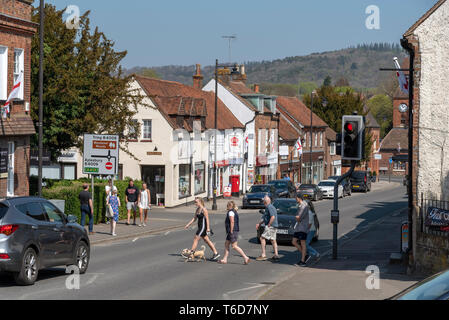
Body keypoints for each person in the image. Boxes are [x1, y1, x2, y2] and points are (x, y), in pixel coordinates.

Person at [256, 195, 279, 261]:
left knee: (262, 238)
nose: (263, 202)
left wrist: (269, 224)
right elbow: (266, 218)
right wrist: (259, 224)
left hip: (271, 226)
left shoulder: (269, 207)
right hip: (274, 226)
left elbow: (273, 217)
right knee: (273, 240)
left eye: (263, 201)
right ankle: (276, 255)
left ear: (265, 202)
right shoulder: (270, 207)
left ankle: (263, 255)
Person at [292, 193, 310, 267]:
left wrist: (296, 217)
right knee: (294, 241)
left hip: (303, 227)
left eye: (296, 198)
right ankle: (305, 254)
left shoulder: (303, 206)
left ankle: (303, 261)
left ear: (299, 198)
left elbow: (299, 218)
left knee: (303, 243)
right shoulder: (300, 205)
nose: (295, 199)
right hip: (298, 227)